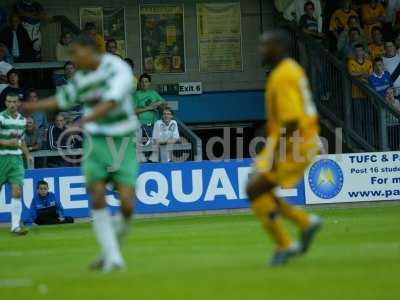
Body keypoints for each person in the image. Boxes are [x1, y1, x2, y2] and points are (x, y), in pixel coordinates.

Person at [23, 33, 139, 272]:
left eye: (76, 53)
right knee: (96, 194)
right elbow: (62, 98)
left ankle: (110, 250)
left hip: (122, 140)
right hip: (95, 142)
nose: (73, 60)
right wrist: (33, 106)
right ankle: (114, 257)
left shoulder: (116, 68)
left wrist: (81, 122)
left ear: (90, 51)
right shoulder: (81, 78)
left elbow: (112, 102)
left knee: (127, 204)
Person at [246, 29, 322, 267]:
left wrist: (276, 155)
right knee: (256, 187)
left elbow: (291, 121)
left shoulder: (283, 75)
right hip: (289, 141)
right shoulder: (289, 70)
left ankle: (287, 241)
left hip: (296, 143)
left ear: (277, 47)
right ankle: (303, 223)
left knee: (255, 188)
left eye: (264, 45)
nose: (260, 50)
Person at [0, 92, 33, 235]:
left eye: (14, 102)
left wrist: (27, 154)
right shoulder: (1, 118)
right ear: (6, 103)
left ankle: (15, 226)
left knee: (17, 191)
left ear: (18, 103)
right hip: (1, 158)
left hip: (16, 160)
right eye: (9, 102)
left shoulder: (22, 121)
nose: (12, 104)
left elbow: (21, 141)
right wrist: (7, 142)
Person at [134, 73, 165, 156]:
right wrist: (149, 108)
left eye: (146, 82)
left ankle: (154, 164)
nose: (144, 84)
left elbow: (163, 102)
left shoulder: (153, 93)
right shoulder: (136, 94)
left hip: (154, 124)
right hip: (142, 125)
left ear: (149, 83)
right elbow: (134, 111)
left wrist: (156, 104)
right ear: (139, 83)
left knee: (155, 147)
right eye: (142, 82)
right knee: (143, 148)